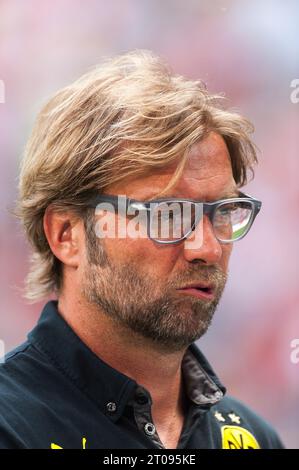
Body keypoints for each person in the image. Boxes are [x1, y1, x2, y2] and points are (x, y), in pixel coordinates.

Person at [0, 50, 284, 449]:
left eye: (223, 211)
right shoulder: (12, 427)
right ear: (66, 234)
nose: (207, 248)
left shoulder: (253, 437)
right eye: (167, 214)